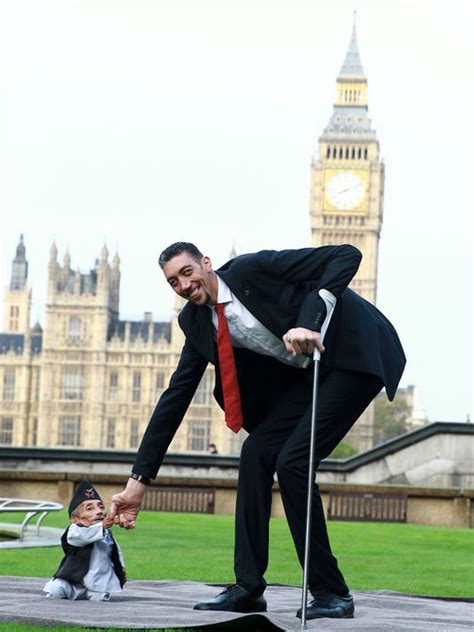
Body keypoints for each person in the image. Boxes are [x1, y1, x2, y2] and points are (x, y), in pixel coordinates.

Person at [110, 242, 405, 620]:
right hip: (307, 377)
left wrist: (311, 321)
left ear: (205, 264)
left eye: (187, 273)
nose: (183, 285)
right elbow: (175, 397)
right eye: (173, 283)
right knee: (255, 453)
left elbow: (346, 254)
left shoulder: (254, 270)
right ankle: (248, 588)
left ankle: (332, 593)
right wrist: (138, 482)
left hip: (352, 355)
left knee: (294, 463)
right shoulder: (196, 322)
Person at [44, 480, 126, 601]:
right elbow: (81, 537)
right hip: (72, 580)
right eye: (89, 509)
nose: (99, 512)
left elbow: (115, 553)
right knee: (55, 589)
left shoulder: (107, 535)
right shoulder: (74, 532)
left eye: (101, 507)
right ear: (75, 519)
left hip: (97, 582)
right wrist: (101, 527)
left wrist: (121, 570)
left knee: (101, 599)